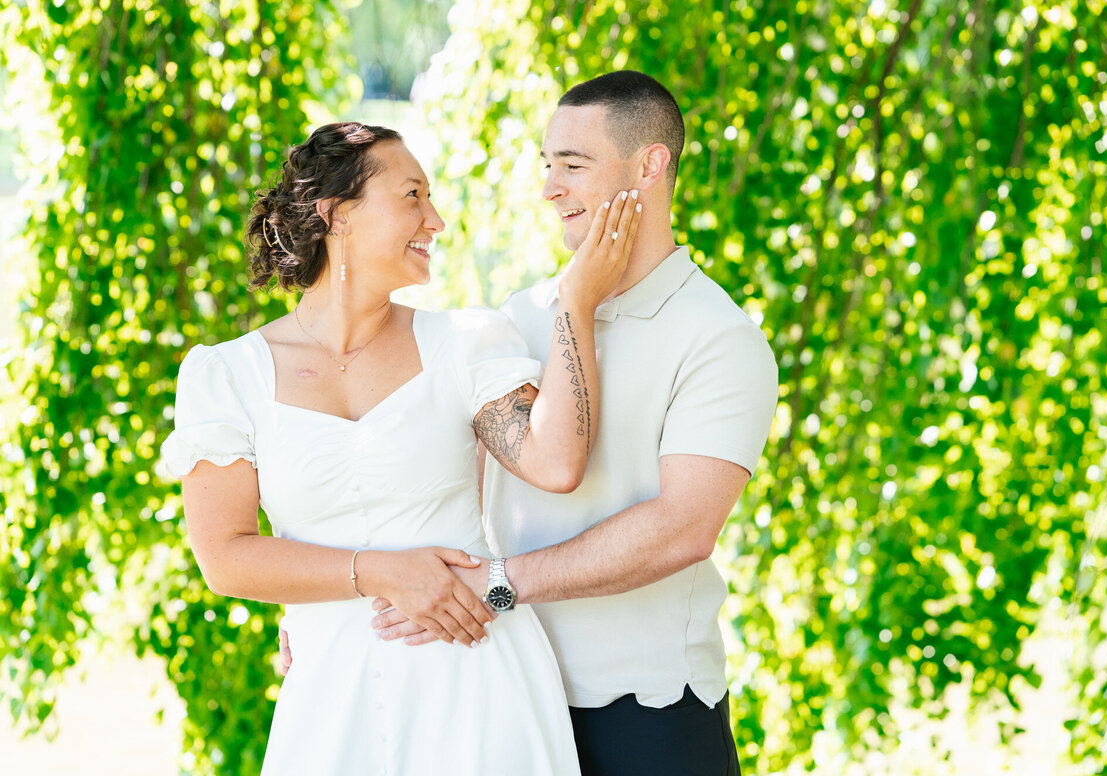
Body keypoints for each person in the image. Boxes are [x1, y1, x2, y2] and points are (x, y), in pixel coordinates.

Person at [160, 121, 641, 774]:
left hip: (479, 691)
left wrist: (574, 306)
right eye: (412, 195)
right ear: (338, 215)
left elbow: (555, 464)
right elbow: (225, 559)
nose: (436, 220)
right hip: (332, 704)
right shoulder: (226, 375)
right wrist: (381, 572)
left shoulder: (468, 343)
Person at [367, 71, 779, 775]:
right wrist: (331, 627)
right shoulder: (516, 320)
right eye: (546, 166)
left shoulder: (720, 337)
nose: (549, 188)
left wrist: (499, 583)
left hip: (650, 719)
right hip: (505, 700)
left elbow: (683, 529)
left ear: (650, 166)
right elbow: (437, 489)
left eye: (574, 166)